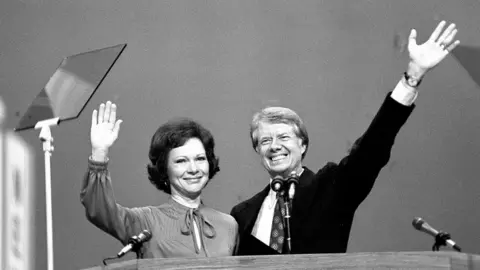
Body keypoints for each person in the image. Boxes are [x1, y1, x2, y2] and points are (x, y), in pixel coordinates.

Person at [230, 20, 460, 255]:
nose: (275, 146)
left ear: (303, 144)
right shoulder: (242, 214)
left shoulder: (330, 188)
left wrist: (413, 77)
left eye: (283, 137)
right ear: (257, 150)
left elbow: (370, 150)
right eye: (265, 141)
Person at [80, 102, 238, 258]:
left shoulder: (229, 225)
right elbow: (99, 209)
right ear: (165, 169)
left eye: (200, 159)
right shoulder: (145, 221)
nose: (193, 169)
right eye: (181, 161)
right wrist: (99, 152)